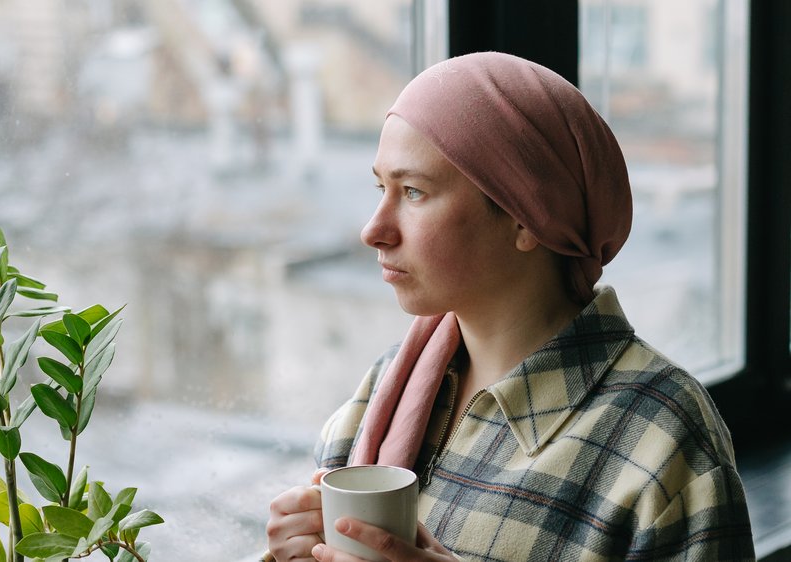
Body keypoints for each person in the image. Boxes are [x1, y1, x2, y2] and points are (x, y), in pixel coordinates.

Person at [264, 52, 755, 561]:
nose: (373, 231)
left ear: (527, 220)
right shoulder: (386, 390)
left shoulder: (665, 438)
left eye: (413, 192)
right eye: (380, 187)